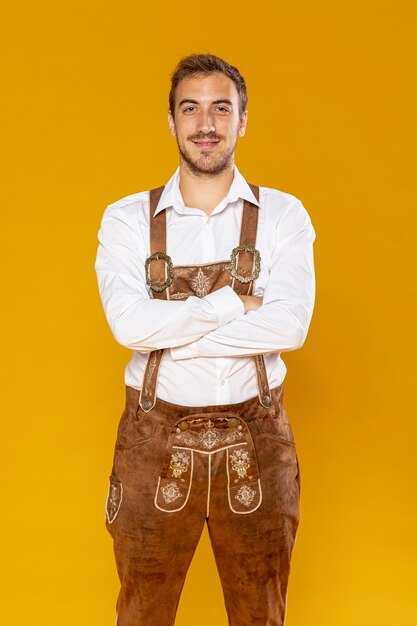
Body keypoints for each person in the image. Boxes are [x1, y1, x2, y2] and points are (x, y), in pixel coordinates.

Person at [95, 52, 316, 626]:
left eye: (222, 108)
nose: (206, 125)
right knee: (141, 612)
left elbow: (290, 326)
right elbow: (127, 326)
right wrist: (232, 304)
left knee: (261, 614)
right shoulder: (124, 219)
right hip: (152, 440)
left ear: (244, 119)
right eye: (190, 109)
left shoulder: (284, 216)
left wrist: (170, 332)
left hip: (259, 439)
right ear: (171, 121)